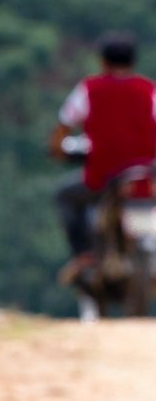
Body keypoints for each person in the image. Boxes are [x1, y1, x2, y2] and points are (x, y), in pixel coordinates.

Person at [49, 31, 156, 284]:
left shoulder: (89, 90)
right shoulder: (149, 90)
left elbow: (62, 130)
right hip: (146, 180)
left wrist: (58, 150)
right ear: (132, 62)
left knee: (65, 195)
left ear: (103, 62)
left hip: (103, 179)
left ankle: (84, 254)